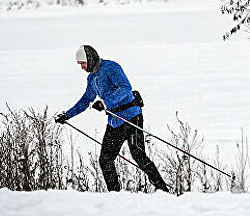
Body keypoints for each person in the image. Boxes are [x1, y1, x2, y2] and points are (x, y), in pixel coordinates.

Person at [55, 45, 168, 192]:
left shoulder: (110, 67)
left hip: (131, 117)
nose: (82, 67)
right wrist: (67, 115)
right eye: (80, 65)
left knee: (138, 156)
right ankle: (115, 195)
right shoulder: (92, 78)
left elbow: (125, 87)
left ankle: (164, 191)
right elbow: (85, 100)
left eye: (83, 63)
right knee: (105, 160)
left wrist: (105, 102)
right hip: (114, 122)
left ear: (90, 58)